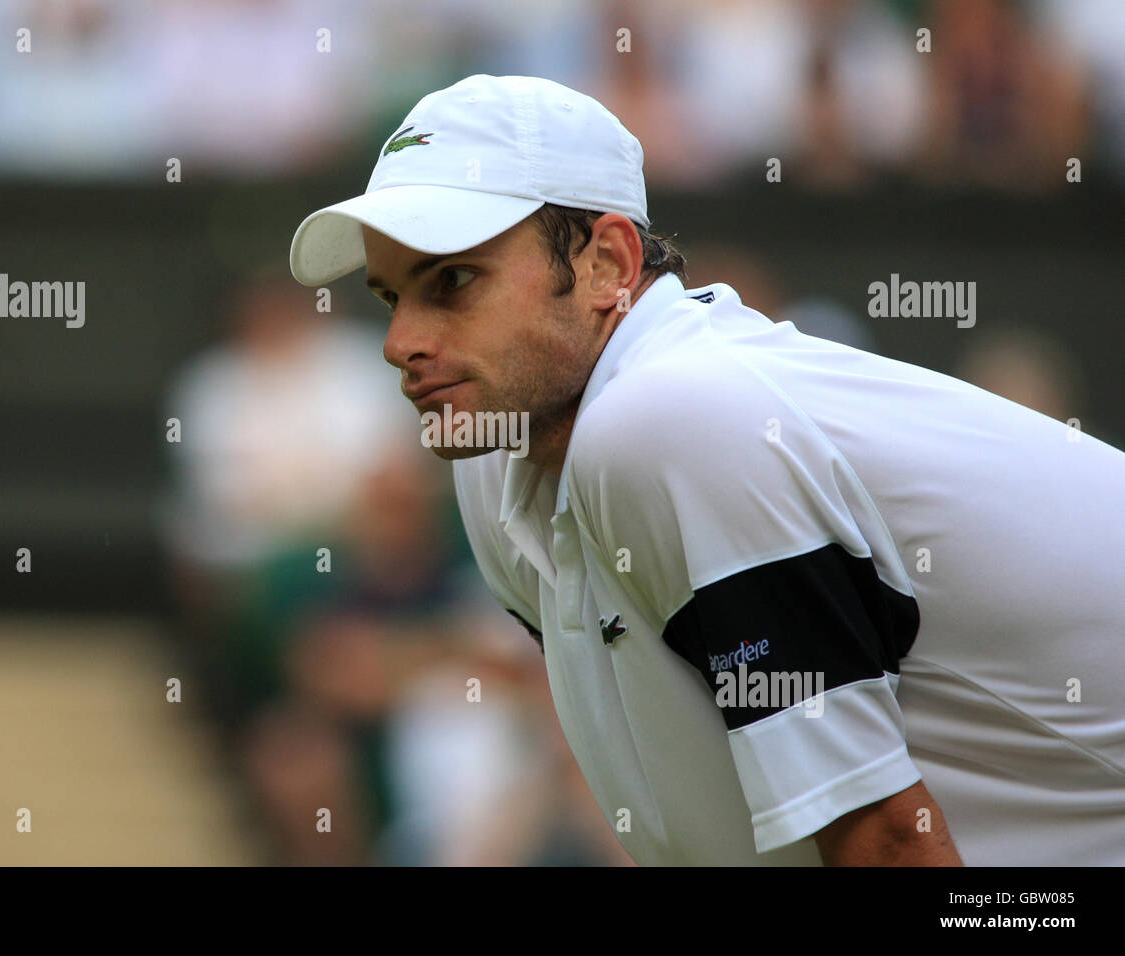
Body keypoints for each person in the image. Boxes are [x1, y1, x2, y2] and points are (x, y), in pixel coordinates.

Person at [287, 74, 1125, 866]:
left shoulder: (673, 423)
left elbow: (889, 844)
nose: (401, 344)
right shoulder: (500, 463)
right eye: (392, 298)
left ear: (609, 266)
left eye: (454, 280)